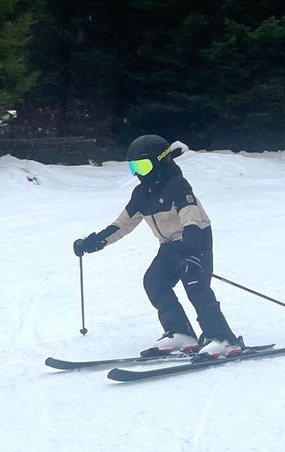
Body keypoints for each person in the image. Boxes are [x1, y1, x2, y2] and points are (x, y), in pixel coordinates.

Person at [73, 134, 242, 358]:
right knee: (154, 281)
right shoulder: (142, 194)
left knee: (196, 286)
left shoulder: (177, 185)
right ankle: (181, 333)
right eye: (134, 167)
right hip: (169, 246)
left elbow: (191, 219)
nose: (138, 173)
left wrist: (192, 253)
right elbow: (121, 225)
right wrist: (92, 243)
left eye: (143, 166)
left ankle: (223, 339)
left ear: (160, 161)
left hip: (195, 241)